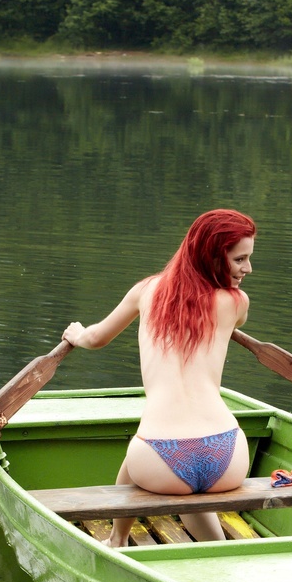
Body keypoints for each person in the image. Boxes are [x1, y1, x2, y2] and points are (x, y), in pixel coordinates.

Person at [62, 209, 256, 546]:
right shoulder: (236, 303)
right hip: (228, 455)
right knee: (195, 483)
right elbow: (228, 323)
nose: (248, 269)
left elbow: (96, 339)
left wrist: (77, 334)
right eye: (240, 259)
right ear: (212, 255)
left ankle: (117, 541)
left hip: (159, 458)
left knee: (134, 463)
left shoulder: (146, 292)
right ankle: (219, 551)